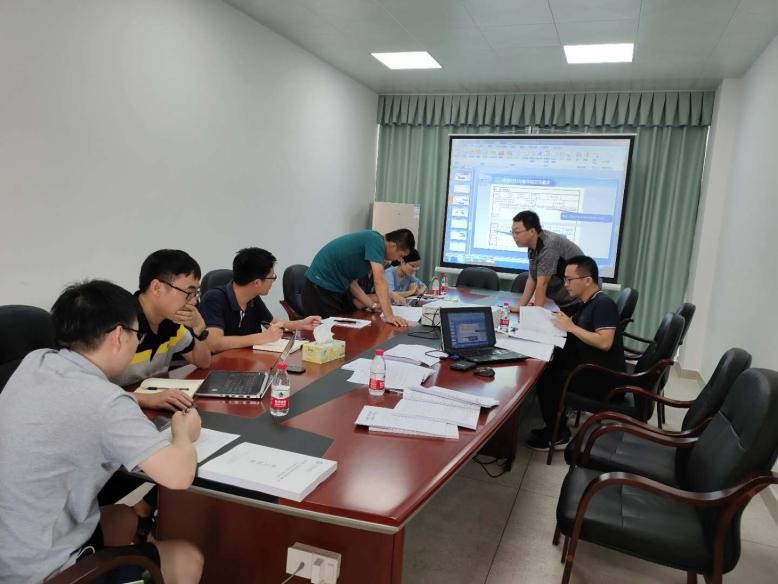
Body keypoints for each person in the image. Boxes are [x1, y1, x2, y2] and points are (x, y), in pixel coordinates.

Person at [0, 280, 203, 584]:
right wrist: (183, 432)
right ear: (118, 335)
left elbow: (76, 404)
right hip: (40, 570)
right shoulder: (106, 402)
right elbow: (178, 476)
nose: (137, 343)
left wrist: (137, 399)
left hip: (12, 545)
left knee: (124, 517)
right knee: (188, 559)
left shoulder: (36, 361)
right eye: (137, 335)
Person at [526, 255, 626, 451]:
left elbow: (605, 342)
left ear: (587, 280)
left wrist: (571, 327)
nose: (565, 285)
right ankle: (554, 426)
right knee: (549, 365)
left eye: (569, 280)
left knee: (548, 377)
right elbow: (566, 318)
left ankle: (558, 434)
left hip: (603, 379)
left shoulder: (603, 304)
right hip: (587, 366)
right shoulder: (587, 302)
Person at [112, 249, 211, 411]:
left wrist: (199, 329)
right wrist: (146, 399)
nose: (193, 301)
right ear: (157, 287)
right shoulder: (119, 325)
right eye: (189, 292)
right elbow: (88, 388)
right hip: (116, 411)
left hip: (149, 409)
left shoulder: (169, 322)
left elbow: (203, 362)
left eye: (195, 293)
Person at [199, 247, 321, 353]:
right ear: (256, 282)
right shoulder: (214, 298)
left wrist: (300, 324)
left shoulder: (253, 298)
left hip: (247, 360)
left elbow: (274, 324)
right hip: (221, 365)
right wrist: (262, 337)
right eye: (272, 277)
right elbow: (215, 343)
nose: (273, 282)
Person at [301, 229, 415, 326]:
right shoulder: (375, 241)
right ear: (393, 246)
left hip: (332, 288)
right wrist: (389, 315)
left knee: (345, 326)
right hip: (320, 286)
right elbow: (380, 281)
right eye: (400, 255)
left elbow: (352, 283)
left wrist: (373, 306)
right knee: (329, 331)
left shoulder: (372, 245)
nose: (398, 260)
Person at [511, 210, 584, 314]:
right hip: (564, 300)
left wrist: (535, 314)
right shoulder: (533, 247)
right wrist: (520, 307)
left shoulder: (549, 245)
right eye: (512, 232)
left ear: (532, 231)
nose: (514, 236)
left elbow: (542, 284)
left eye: (517, 232)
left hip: (580, 300)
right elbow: (532, 279)